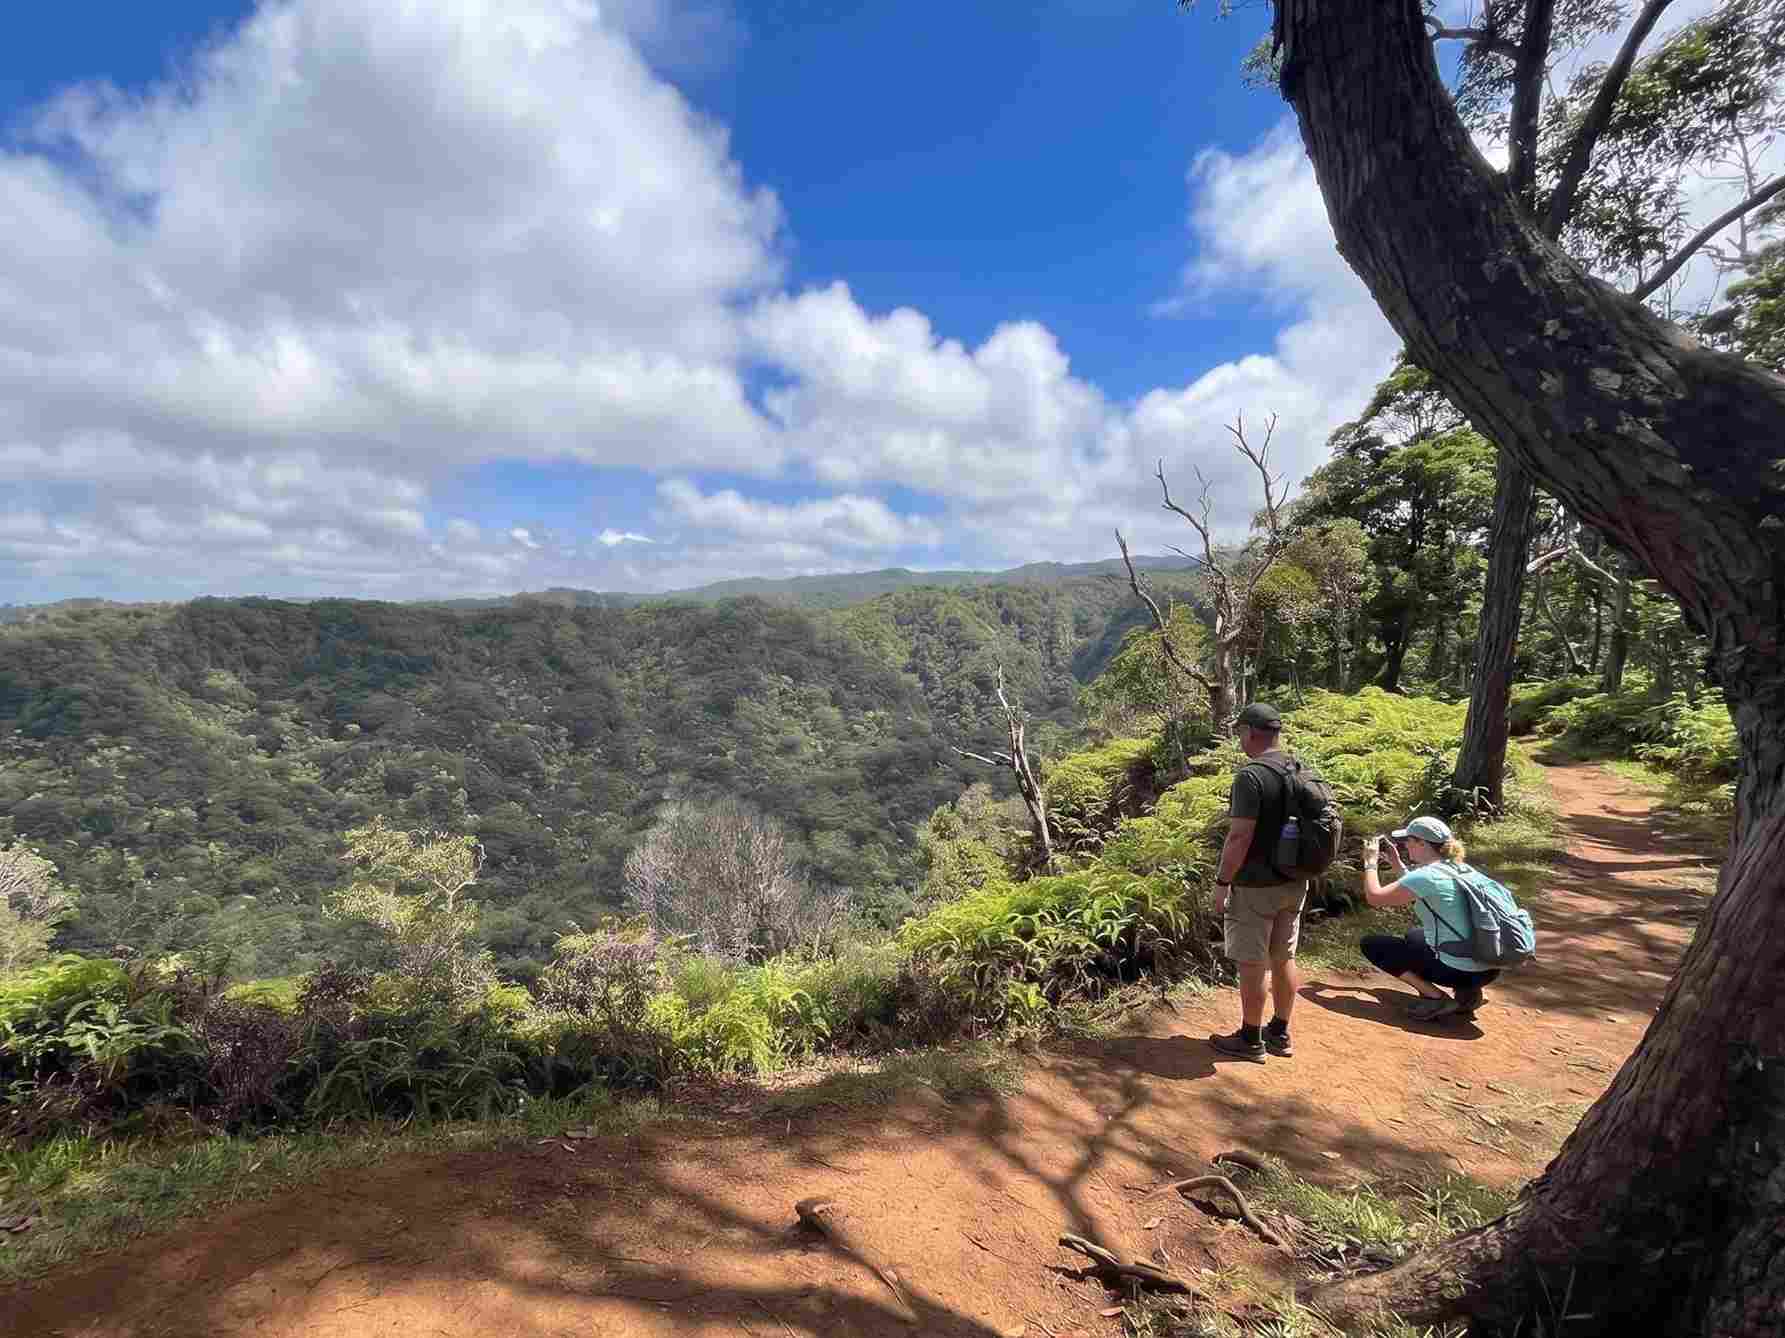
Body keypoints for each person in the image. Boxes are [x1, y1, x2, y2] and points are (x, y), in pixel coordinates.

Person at [1208, 702, 1306, 1062]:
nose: (1239, 739)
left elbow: (1239, 837)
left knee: (1253, 962)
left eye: (1239, 733)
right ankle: (1279, 1033)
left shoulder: (1250, 776)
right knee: (1284, 956)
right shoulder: (1297, 767)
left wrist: (1222, 883)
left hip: (1255, 886)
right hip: (1295, 881)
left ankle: (1250, 1039)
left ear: (1249, 733)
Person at [1357, 816, 1500, 1021]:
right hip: (1489, 967)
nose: (1405, 845)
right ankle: (1469, 993)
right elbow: (1419, 887)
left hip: (1459, 970)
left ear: (1422, 844)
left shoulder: (1427, 876)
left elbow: (1374, 898)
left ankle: (1437, 998)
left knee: (1373, 944)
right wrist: (1397, 864)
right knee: (1415, 936)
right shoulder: (1460, 868)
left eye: (1409, 840)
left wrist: (1370, 863)